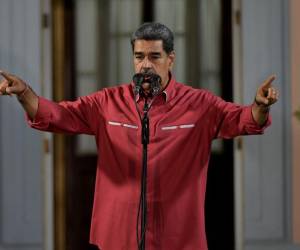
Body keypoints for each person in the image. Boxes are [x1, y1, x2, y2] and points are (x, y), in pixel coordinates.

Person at [0, 22, 278, 250]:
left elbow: (242, 120)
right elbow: (58, 115)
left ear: (171, 59)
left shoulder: (200, 105)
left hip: (178, 236)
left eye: (154, 57)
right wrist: (25, 94)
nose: (145, 65)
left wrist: (260, 107)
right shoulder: (106, 102)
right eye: (139, 56)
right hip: (118, 235)